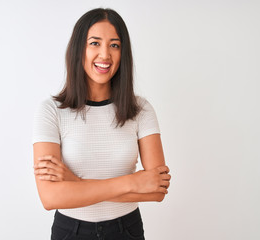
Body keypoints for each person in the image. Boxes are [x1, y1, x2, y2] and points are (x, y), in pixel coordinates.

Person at [32, 8, 171, 240]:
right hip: (71, 231)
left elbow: (157, 191)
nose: (105, 54)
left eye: (114, 45)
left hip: (126, 230)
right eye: (95, 43)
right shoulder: (51, 110)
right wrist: (132, 181)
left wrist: (75, 183)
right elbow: (50, 198)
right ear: (79, 50)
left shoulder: (141, 109)